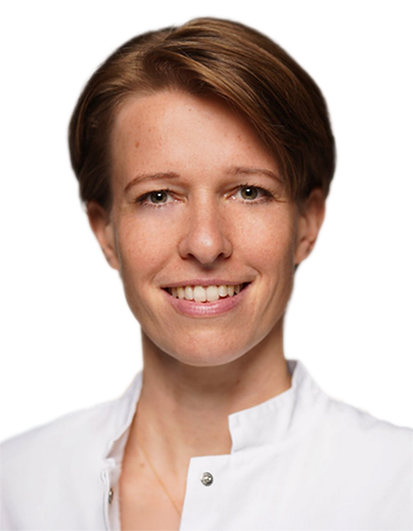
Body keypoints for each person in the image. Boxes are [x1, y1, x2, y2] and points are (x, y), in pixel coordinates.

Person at [1, 16, 411, 531]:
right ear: (106, 231)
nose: (206, 243)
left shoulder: (398, 490)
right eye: (157, 196)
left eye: (249, 192)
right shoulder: (14, 490)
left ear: (306, 223)